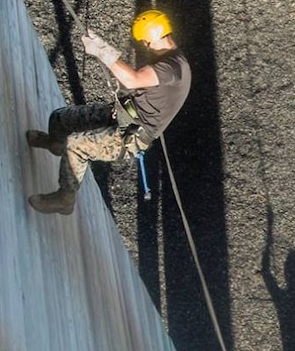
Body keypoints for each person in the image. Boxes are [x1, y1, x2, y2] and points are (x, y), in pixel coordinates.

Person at [26, 11, 191, 215]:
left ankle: (65, 199)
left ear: (155, 36)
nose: (145, 46)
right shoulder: (170, 60)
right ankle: (55, 144)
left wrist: (102, 51)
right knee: (60, 118)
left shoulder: (173, 67)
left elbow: (133, 80)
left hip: (132, 135)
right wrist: (103, 48)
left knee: (77, 146)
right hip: (121, 114)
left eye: (146, 42)